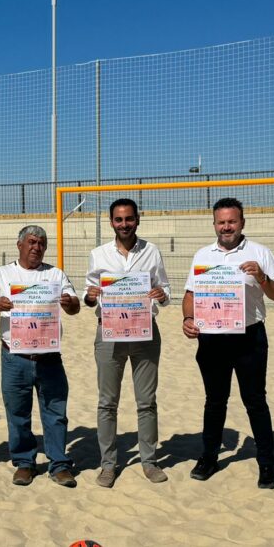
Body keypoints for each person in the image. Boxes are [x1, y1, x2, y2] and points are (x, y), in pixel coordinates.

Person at [181, 197, 274, 489]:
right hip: (212, 340)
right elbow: (190, 295)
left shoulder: (259, 253)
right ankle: (209, 457)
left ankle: (267, 464)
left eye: (232, 221)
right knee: (214, 402)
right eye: (221, 222)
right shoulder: (203, 255)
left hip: (249, 338)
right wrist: (188, 319)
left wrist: (262, 278)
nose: (226, 227)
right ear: (214, 224)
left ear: (242, 222)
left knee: (255, 401)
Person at [0, 225, 82, 487]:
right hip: (15, 357)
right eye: (32, 242)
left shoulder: (55, 274)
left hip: (49, 356)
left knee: (55, 412)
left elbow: (75, 306)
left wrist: (69, 303)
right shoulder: (3, 274)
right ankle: (24, 463)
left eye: (42, 244)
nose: (37, 247)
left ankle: (58, 465)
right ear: (20, 244)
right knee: (18, 413)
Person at [82, 198, 170, 488]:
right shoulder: (99, 254)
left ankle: (149, 461)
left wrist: (161, 294)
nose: (124, 224)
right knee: (107, 402)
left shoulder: (152, 251)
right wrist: (91, 296)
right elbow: (88, 293)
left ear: (137, 219)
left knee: (147, 401)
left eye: (129, 219)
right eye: (118, 220)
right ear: (111, 222)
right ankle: (108, 465)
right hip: (109, 333)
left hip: (144, 332)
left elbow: (165, 289)